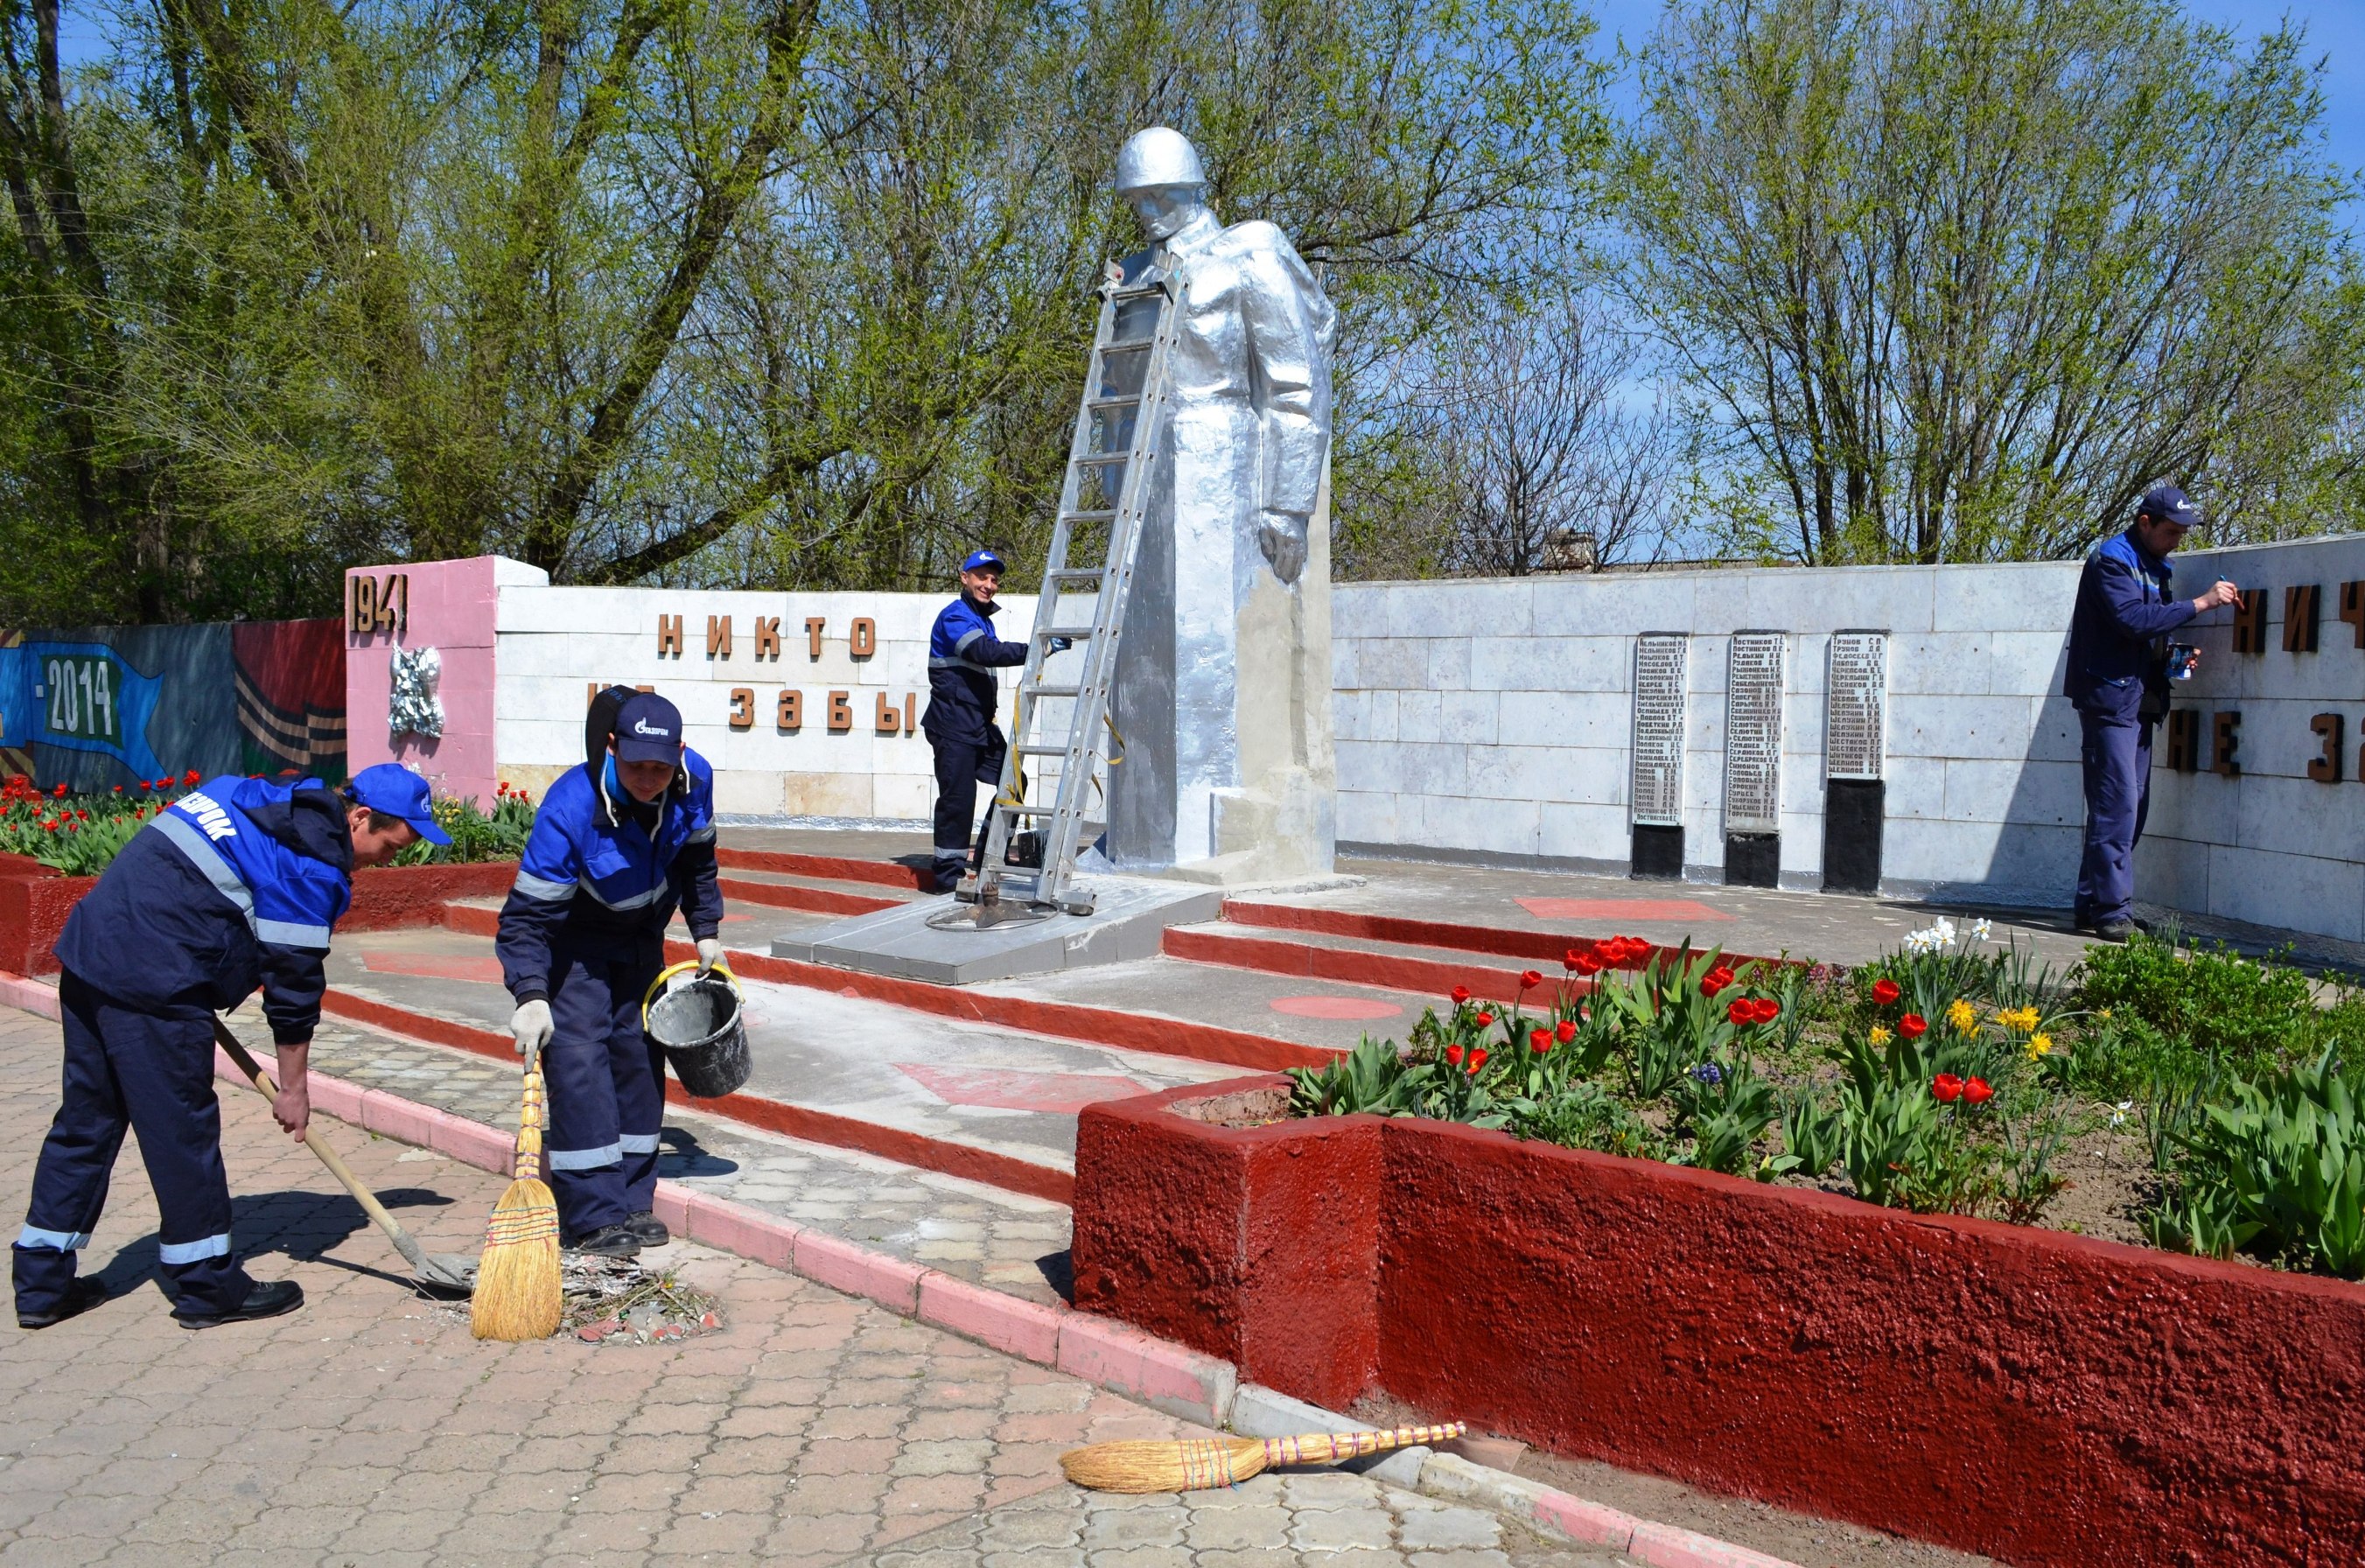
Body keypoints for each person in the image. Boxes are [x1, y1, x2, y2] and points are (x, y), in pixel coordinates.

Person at [13, 764, 444, 1330]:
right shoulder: (309, 870)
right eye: (393, 844)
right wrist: (294, 1090)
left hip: (94, 952)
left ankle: (41, 1284)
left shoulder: (244, 793)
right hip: (155, 984)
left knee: (87, 1123)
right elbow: (292, 994)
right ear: (360, 817)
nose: (393, 858)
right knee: (181, 1134)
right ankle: (208, 1287)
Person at [496, 690, 723, 1259]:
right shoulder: (569, 808)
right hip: (576, 942)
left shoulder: (693, 781)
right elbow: (526, 918)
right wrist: (529, 992)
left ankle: (630, 1199)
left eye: (660, 767)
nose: (648, 779)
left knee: (637, 1062)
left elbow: (698, 861)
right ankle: (592, 1214)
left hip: (642, 938)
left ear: (680, 754)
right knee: (580, 1067)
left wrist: (706, 931)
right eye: (635, 766)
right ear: (613, 748)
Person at [2064, 485, 2238, 941]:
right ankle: (2111, 913)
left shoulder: (2154, 565)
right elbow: (2132, 621)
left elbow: (2144, 632)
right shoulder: (2112, 560)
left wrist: (2172, 656)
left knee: (2130, 807)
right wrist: (2200, 603)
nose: (2178, 539)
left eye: (2183, 532)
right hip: (2110, 702)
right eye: (2171, 531)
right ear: (2145, 523)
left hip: (2141, 700)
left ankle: (2092, 903)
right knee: (2117, 805)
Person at [922, 550, 1053, 893]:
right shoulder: (955, 617)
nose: (989, 584)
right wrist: (1035, 650)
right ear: (964, 577)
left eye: (994, 579)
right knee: (958, 799)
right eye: (982, 576)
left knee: (1014, 781)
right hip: (952, 724)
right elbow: (982, 653)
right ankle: (947, 878)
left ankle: (987, 857)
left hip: (977, 726)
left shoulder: (982, 619)